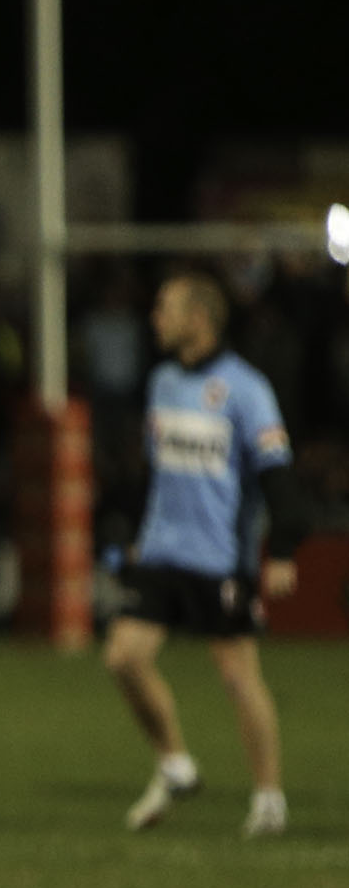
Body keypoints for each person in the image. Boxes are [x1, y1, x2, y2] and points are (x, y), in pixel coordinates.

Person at [104, 272, 307, 837]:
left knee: (239, 677)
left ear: (199, 318)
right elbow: (157, 471)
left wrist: (284, 548)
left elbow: (276, 473)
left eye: (165, 308)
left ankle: (269, 798)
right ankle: (174, 763)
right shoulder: (162, 382)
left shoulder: (246, 388)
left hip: (220, 558)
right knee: (123, 657)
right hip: (164, 552)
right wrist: (141, 533)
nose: (156, 318)